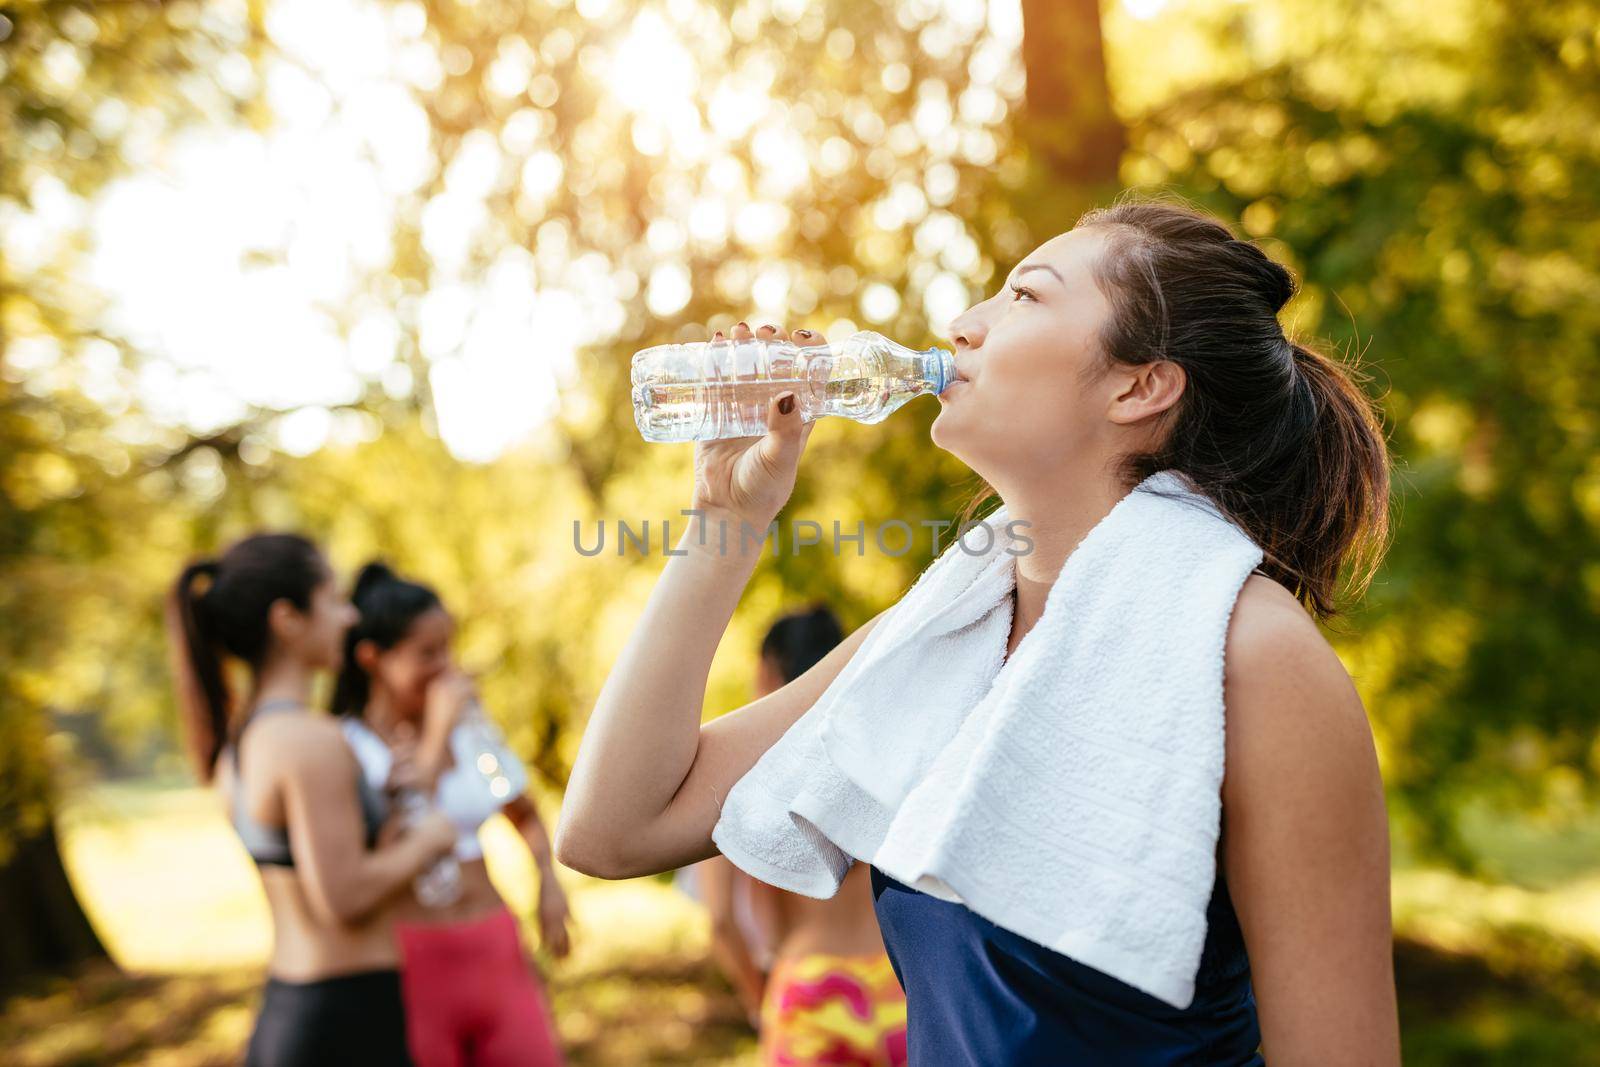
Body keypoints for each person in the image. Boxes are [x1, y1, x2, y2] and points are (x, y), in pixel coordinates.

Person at [556, 199, 1401, 1064]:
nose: (962, 326)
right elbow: (614, 830)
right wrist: (725, 517)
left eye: (1025, 297)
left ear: (1139, 384)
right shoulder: (939, 641)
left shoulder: (1252, 658)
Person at [167, 533, 458, 1067]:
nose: (349, 618)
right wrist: (432, 840)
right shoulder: (311, 740)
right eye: (332, 600)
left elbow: (305, 867)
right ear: (287, 619)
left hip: (294, 1005)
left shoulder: (242, 740)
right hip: (345, 1016)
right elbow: (343, 897)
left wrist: (382, 802)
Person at [331, 562, 568, 1067]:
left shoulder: (471, 731)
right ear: (372, 658)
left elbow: (520, 809)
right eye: (427, 654)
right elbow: (384, 843)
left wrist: (547, 880)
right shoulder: (345, 748)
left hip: (494, 948)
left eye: (448, 648)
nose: (446, 667)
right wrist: (436, 735)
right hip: (408, 963)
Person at [694, 605, 908, 1067]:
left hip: (809, 989)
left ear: (769, 673)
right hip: (896, 985)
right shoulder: (877, 752)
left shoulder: (742, 777)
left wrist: (759, 1000)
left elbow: (719, 921)